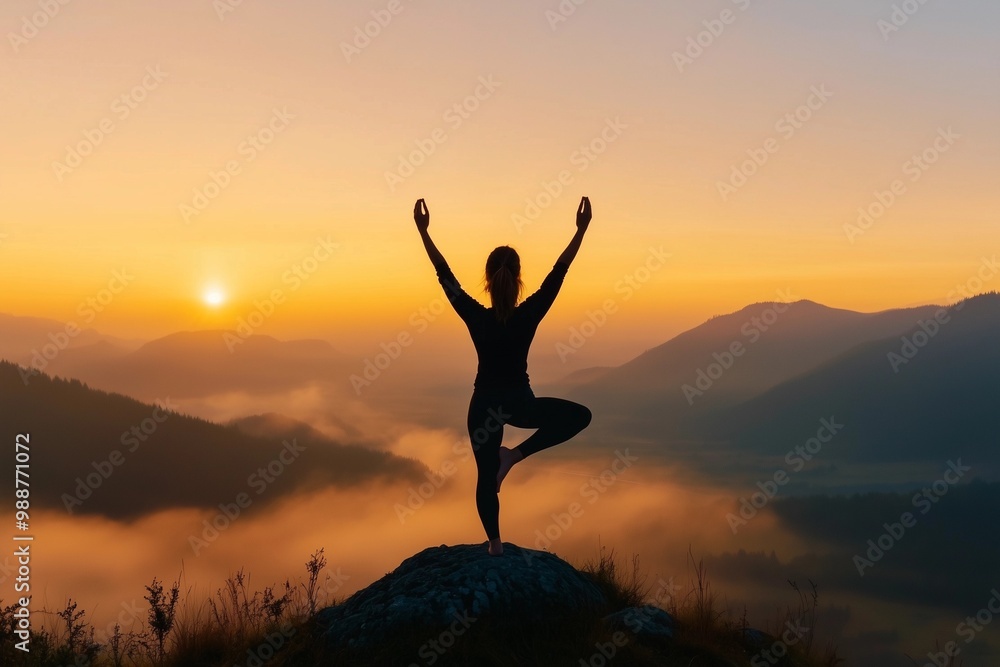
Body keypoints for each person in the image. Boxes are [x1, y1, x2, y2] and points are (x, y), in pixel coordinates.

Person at [413, 196, 594, 556]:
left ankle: (494, 545)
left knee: (484, 477)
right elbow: (558, 274)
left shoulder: (475, 315)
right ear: (519, 278)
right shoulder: (529, 314)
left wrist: (423, 232)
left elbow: (444, 275)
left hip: (484, 407)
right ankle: (515, 456)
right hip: (519, 404)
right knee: (580, 416)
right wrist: (581, 230)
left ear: (487, 279)